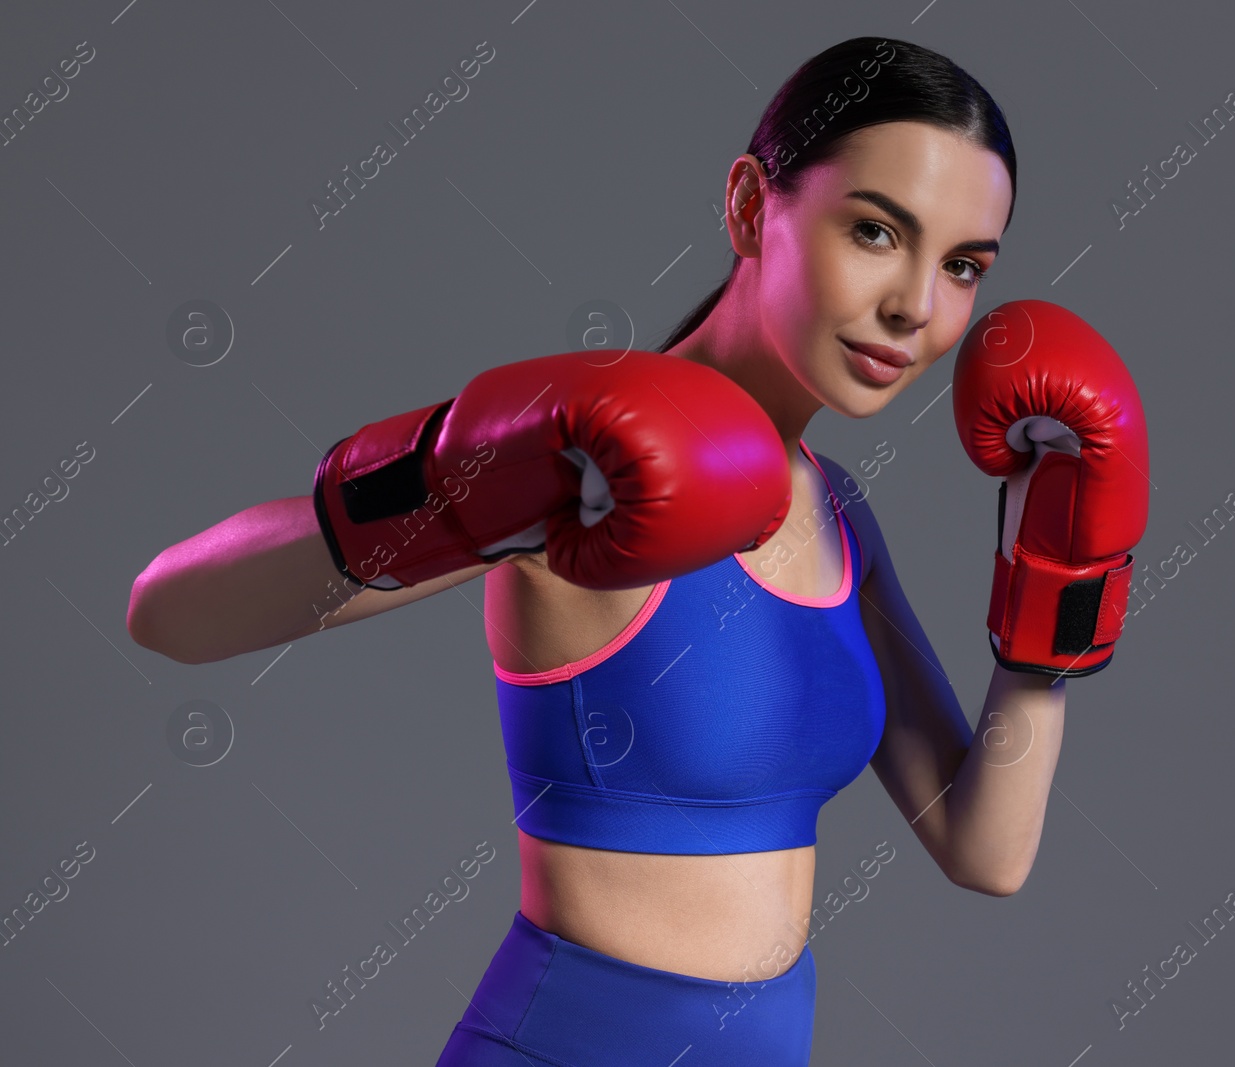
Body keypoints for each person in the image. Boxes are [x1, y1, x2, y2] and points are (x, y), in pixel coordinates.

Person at [126, 35, 1147, 1066]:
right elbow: (167, 611)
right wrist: (465, 479)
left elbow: (985, 849)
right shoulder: (588, 468)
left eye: (963, 265)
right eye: (876, 230)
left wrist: (1056, 577)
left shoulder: (836, 514)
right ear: (752, 206)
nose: (917, 307)